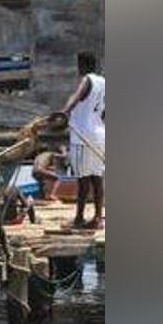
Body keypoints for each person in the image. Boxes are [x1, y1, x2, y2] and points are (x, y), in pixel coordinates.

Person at [60, 52, 105, 229]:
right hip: (99, 134)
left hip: (82, 135)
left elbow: (77, 96)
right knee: (97, 177)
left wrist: (64, 112)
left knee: (83, 179)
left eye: (79, 65)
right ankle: (98, 217)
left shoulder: (87, 79)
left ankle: (79, 218)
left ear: (84, 65)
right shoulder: (104, 82)